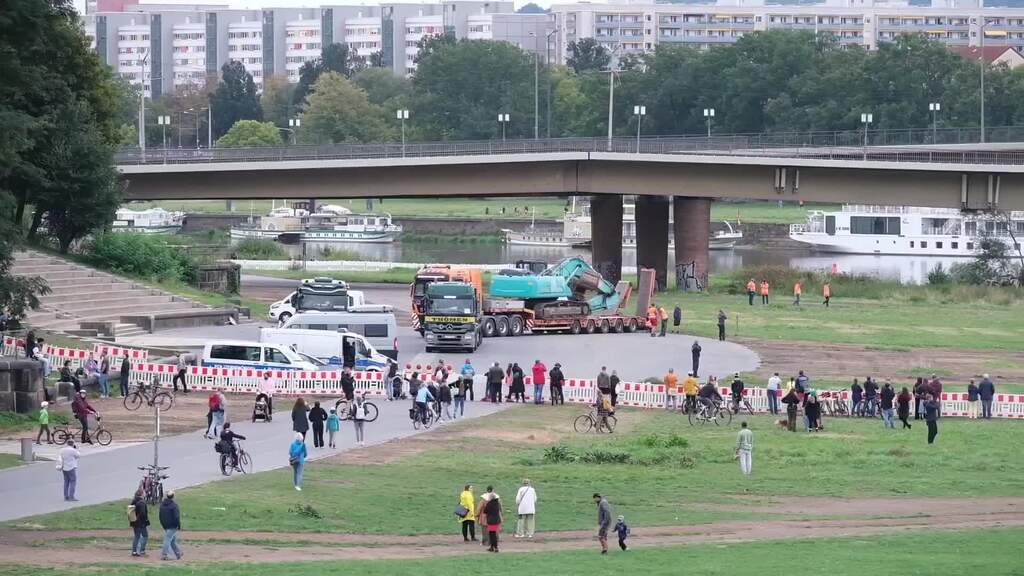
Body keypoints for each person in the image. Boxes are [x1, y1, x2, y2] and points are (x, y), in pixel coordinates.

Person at [159, 491, 183, 561]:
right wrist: (178, 525)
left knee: (172, 540)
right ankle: (164, 555)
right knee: (167, 539)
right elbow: (176, 517)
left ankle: (178, 553)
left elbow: (160, 516)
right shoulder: (174, 506)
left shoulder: (162, 505)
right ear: (173, 496)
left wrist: (163, 525)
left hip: (165, 525)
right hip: (172, 525)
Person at [130, 489, 149, 557]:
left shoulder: (133, 501)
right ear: (142, 494)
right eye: (144, 493)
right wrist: (145, 521)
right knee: (145, 536)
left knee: (137, 536)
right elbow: (143, 513)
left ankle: (134, 551)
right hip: (141, 523)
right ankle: (142, 550)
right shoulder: (142, 503)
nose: (145, 494)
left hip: (134, 522)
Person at [483, 486, 503, 552]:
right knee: (493, 533)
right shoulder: (497, 503)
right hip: (496, 520)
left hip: (491, 521)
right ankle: (492, 547)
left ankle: (495, 547)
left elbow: (485, 511)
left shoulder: (489, 504)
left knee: (492, 534)